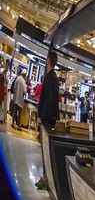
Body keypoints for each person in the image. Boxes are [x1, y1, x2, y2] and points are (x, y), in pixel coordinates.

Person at [35, 52, 60, 189]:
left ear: (48, 60)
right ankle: (45, 177)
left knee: (46, 149)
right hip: (49, 118)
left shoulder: (50, 78)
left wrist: (41, 116)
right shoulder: (53, 77)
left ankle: (45, 178)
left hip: (47, 119)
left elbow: (49, 100)